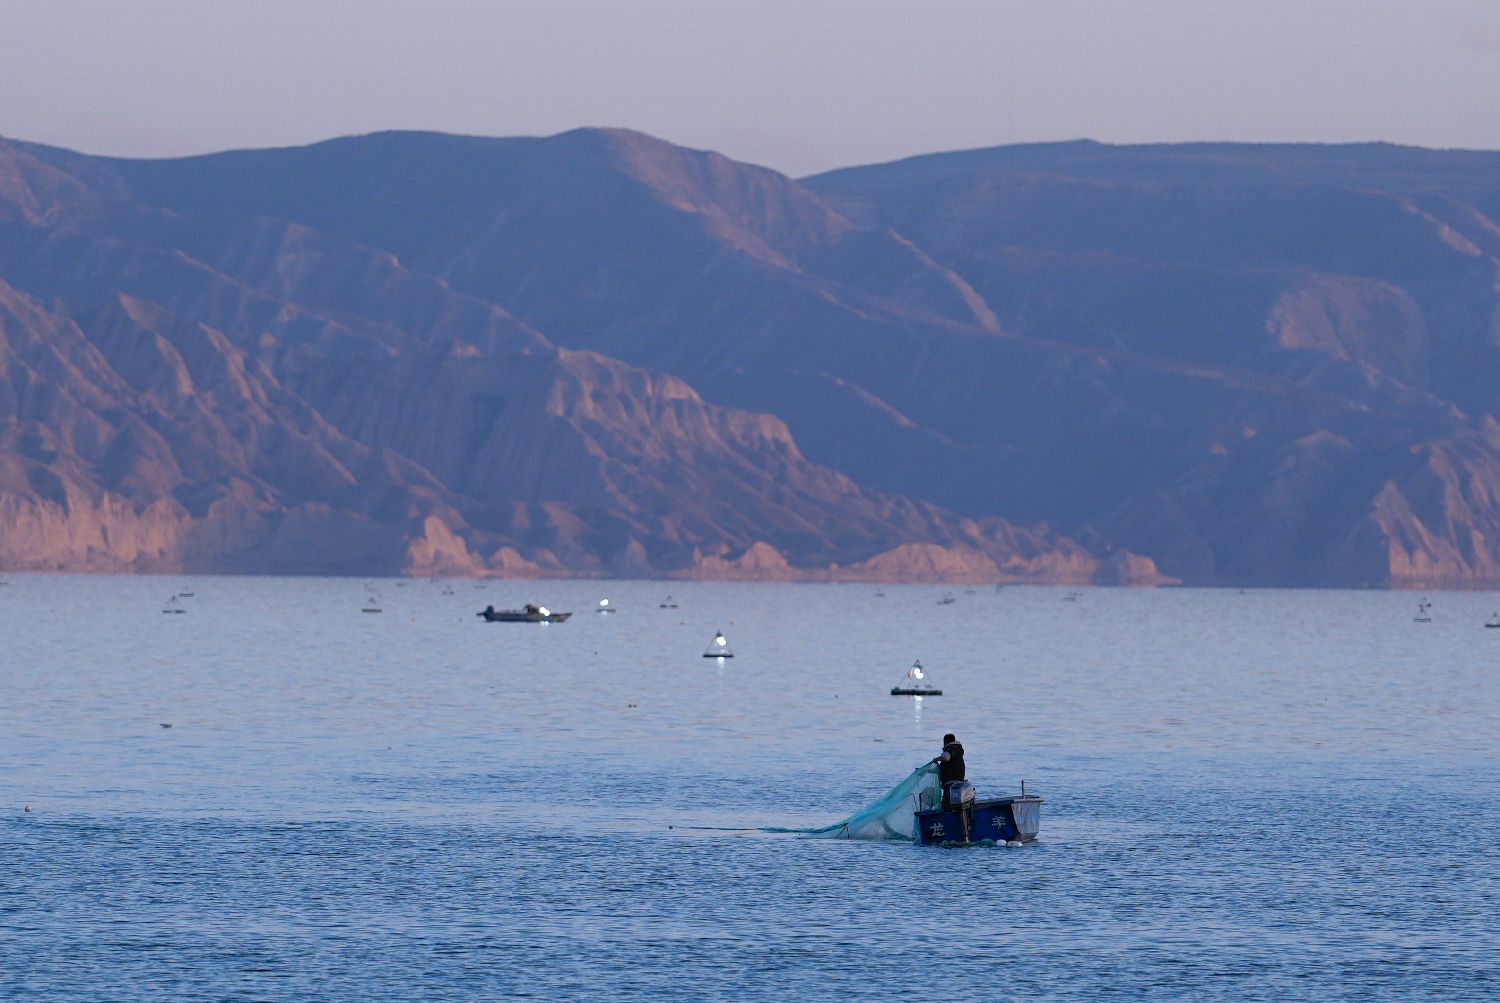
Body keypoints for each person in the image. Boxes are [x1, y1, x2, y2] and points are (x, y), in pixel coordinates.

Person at [931, 733, 965, 809]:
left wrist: (936, 759)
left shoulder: (952, 748)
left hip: (951, 785)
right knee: (951, 807)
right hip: (957, 785)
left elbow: (946, 757)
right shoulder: (957, 752)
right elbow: (943, 768)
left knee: (946, 808)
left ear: (945, 742)